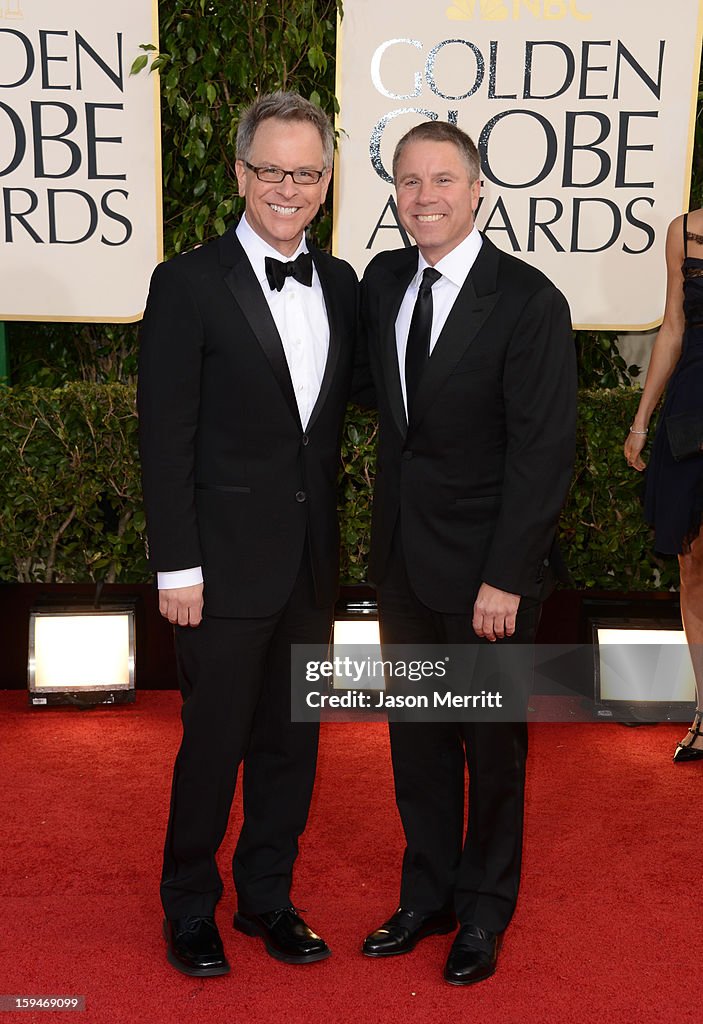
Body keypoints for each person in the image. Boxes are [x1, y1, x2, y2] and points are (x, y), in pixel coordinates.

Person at [137, 91, 359, 976]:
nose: (288, 187)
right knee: (213, 742)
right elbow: (165, 437)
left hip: (309, 569)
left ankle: (266, 897)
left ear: (327, 182)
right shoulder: (185, 282)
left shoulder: (340, 283)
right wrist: (176, 566)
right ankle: (189, 904)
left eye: (306, 172)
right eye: (271, 169)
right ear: (240, 173)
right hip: (219, 571)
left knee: (291, 745)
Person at [359, 121, 576, 985]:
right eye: (408, 182)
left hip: (486, 575)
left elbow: (543, 453)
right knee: (414, 741)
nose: (424, 198)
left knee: (490, 749)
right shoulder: (381, 282)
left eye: (441, 180)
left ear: (477, 189)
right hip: (403, 567)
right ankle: (428, 894)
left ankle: (484, 911)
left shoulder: (527, 299)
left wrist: (506, 579)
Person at [624, 211, 703, 763]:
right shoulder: (684, 230)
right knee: (693, 565)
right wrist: (641, 418)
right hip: (693, 410)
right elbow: (673, 326)